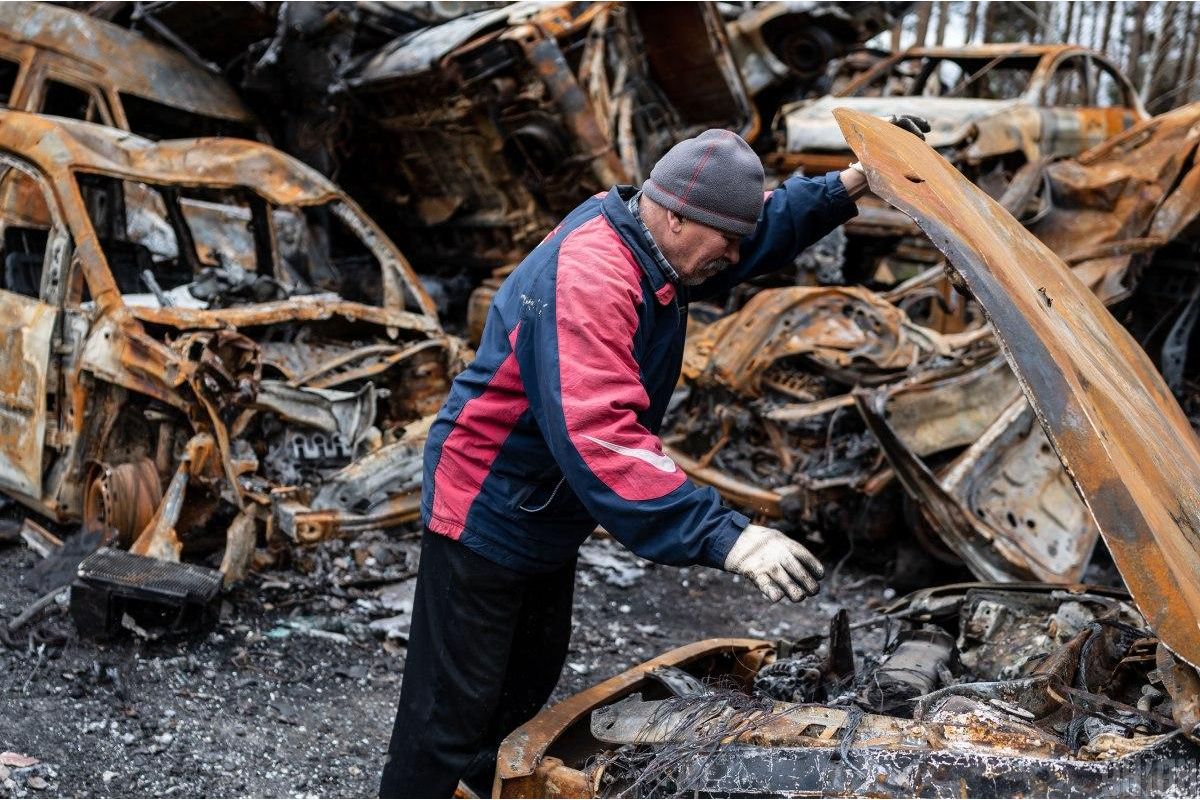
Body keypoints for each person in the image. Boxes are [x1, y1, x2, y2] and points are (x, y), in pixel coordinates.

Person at [380, 117, 929, 798]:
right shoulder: (593, 276)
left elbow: (757, 232)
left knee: (523, 690)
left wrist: (850, 186)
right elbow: (599, 433)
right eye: (725, 242)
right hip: (488, 506)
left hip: (543, 507)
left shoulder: (658, 240)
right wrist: (729, 536)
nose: (734, 256)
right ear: (675, 218)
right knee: (448, 716)